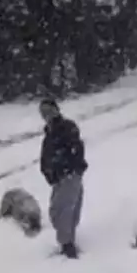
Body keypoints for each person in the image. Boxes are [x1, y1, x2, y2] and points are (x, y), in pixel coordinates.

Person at [39, 98, 88, 259]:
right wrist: (49, 172)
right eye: (43, 112)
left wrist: (70, 169)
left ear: (56, 110)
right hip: (59, 178)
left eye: (49, 110)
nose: (46, 115)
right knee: (57, 211)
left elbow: (77, 149)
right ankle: (67, 240)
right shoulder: (50, 131)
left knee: (64, 209)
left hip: (69, 175)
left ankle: (68, 246)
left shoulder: (67, 127)